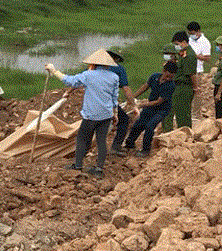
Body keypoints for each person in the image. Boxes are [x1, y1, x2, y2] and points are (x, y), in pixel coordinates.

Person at [45, 50, 119, 178]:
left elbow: (70, 81)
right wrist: (115, 113)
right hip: (106, 115)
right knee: (101, 141)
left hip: (91, 115)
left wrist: (54, 71)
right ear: (107, 64)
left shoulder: (88, 75)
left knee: (82, 139)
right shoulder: (114, 77)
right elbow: (114, 97)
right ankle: (99, 169)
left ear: (93, 64)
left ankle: (78, 165)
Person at [123, 61, 178, 157]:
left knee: (149, 126)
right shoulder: (154, 77)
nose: (168, 79)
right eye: (167, 76)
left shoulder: (171, 86)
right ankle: (129, 144)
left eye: (170, 77)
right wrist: (132, 97)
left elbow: (158, 102)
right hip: (150, 106)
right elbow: (144, 87)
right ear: (163, 71)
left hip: (162, 109)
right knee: (139, 124)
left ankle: (145, 150)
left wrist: (142, 104)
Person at [105, 47, 137, 157]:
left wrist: (67, 93)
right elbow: (126, 89)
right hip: (108, 102)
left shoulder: (94, 67)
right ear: (116, 58)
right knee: (124, 120)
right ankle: (115, 147)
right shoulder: (118, 69)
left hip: (93, 101)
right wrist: (134, 105)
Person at [171, 31, 198, 129]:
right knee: (179, 112)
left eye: (177, 44)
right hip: (179, 86)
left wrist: (195, 88)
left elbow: (191, 74)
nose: (176, 46)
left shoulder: (189, 55)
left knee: (183, 114)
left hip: (184, 87)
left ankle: (186, 134)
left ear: (183, 42)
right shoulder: (182, 54)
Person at [186, 21, 211, 118]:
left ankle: (195, 114)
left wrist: (195, 56)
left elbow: (207, 58)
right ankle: (186, 112)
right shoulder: (189, 40)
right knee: (187, 91)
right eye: (190, 34)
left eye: (192, 33)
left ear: (198, 31)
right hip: (187, 69)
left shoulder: (205, 42)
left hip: (197, 70)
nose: (191, 35)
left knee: (197, 92)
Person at [158, 43, 179, 132]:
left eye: (167, 53)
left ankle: (168, 132)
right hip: (165, 91)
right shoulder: (166, 64)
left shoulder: (178, 65)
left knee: (169, 113)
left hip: (173, 91)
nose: (165, 56)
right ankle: (164, 130)